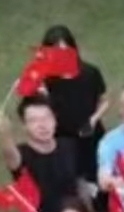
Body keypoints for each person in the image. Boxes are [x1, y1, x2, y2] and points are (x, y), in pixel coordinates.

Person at [0, 94, 81, 212]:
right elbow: (9, 154)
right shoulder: (22, 155)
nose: (42, 125)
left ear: (55, 119)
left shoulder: (68, 146)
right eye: (34, 120)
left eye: (47, 118)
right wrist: (4, 134)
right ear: (24, 126)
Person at [39, 25, 109, 184]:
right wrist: (42, 96)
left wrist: (93, 119)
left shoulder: (90, 73)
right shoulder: (48, 79)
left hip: (90, 135)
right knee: (69, 181)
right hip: (63, 139)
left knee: (97, 179)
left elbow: (105, 100)